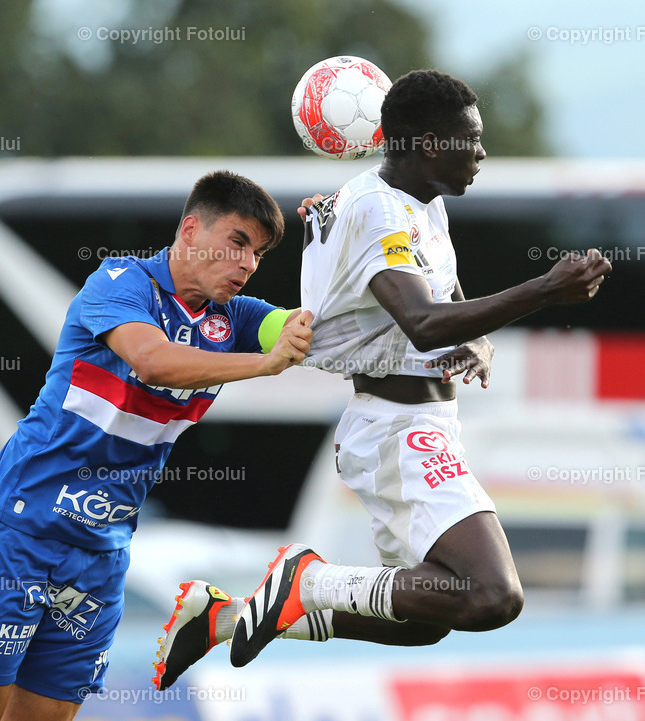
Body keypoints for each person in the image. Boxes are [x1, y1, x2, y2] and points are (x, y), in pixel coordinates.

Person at [155, 70, 612, 685]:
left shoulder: (419, 206)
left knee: (424, 617)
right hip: (399, 431)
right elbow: (422, 322)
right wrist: (545, 290)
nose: (481, 153)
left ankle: (225, 619)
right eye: (470, 140)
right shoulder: (375, 209)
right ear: (428, 145)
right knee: (492, 595)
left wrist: (471, 341)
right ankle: (307, 580)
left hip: (418, 425)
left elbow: (440, 309)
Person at [0, 169, 314, 721]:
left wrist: (333, 250)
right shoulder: (120, 282)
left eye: (259, 254)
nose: (248, 264)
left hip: (99, 553)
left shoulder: (238, 319)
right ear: (190, 230)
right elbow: (152, 360)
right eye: (237, 242)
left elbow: (310, 329)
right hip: (19, 528)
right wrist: (265, 363)